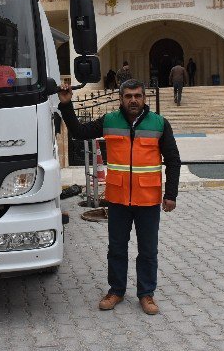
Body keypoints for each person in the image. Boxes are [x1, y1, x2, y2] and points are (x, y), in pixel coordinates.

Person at [58, 79, 181, 315]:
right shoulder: (109, 121)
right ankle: (116, 290)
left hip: (147, 199)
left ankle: (146, 294)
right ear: (120, 99)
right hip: (118, 199)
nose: (133, 100)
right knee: (116, 248)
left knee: (147, 250)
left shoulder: (159, 124)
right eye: (128, 96)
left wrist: (171, 194)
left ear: (144, 98)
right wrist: (66, 105)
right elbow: (78, 133)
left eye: (137, 95)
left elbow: (173, 160)